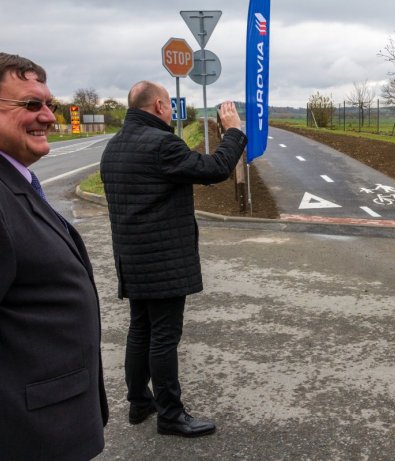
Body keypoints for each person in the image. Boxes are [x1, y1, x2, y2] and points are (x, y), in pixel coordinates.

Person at [100, 81, 247, 438]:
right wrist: (233, 132)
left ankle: (139, 402)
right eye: (168, 106)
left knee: (141, 329)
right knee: (164, 336)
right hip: (162, 258)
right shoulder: (163, 144)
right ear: (160, 106)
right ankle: (170, 414)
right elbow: (214, 169)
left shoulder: (113, 146)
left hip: (131, 257)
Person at [0, 53, 108, 459]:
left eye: (49, 104)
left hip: (50, 423)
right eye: (30, 105)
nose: (47, 116)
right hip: (29, 434)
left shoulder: (16, 181)